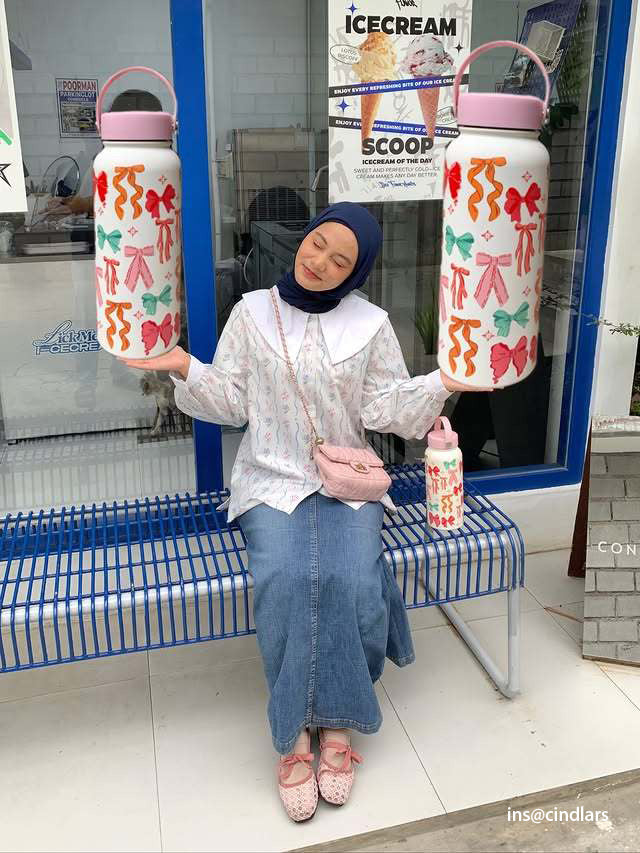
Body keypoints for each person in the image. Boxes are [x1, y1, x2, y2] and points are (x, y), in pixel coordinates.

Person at [122, 202, 493, 822]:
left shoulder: (370, 324)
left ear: (356, 272)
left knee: (350, 577)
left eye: (340, 260)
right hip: (270, 479)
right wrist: (184, 366)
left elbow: (385, 409)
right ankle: (295, 732)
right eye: (318, 243)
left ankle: (337, 723)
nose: (320, 262)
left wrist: (445, 381)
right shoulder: (251, 312)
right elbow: (232, 404)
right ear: (304, 237)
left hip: (348, 480)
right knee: (288, 576)